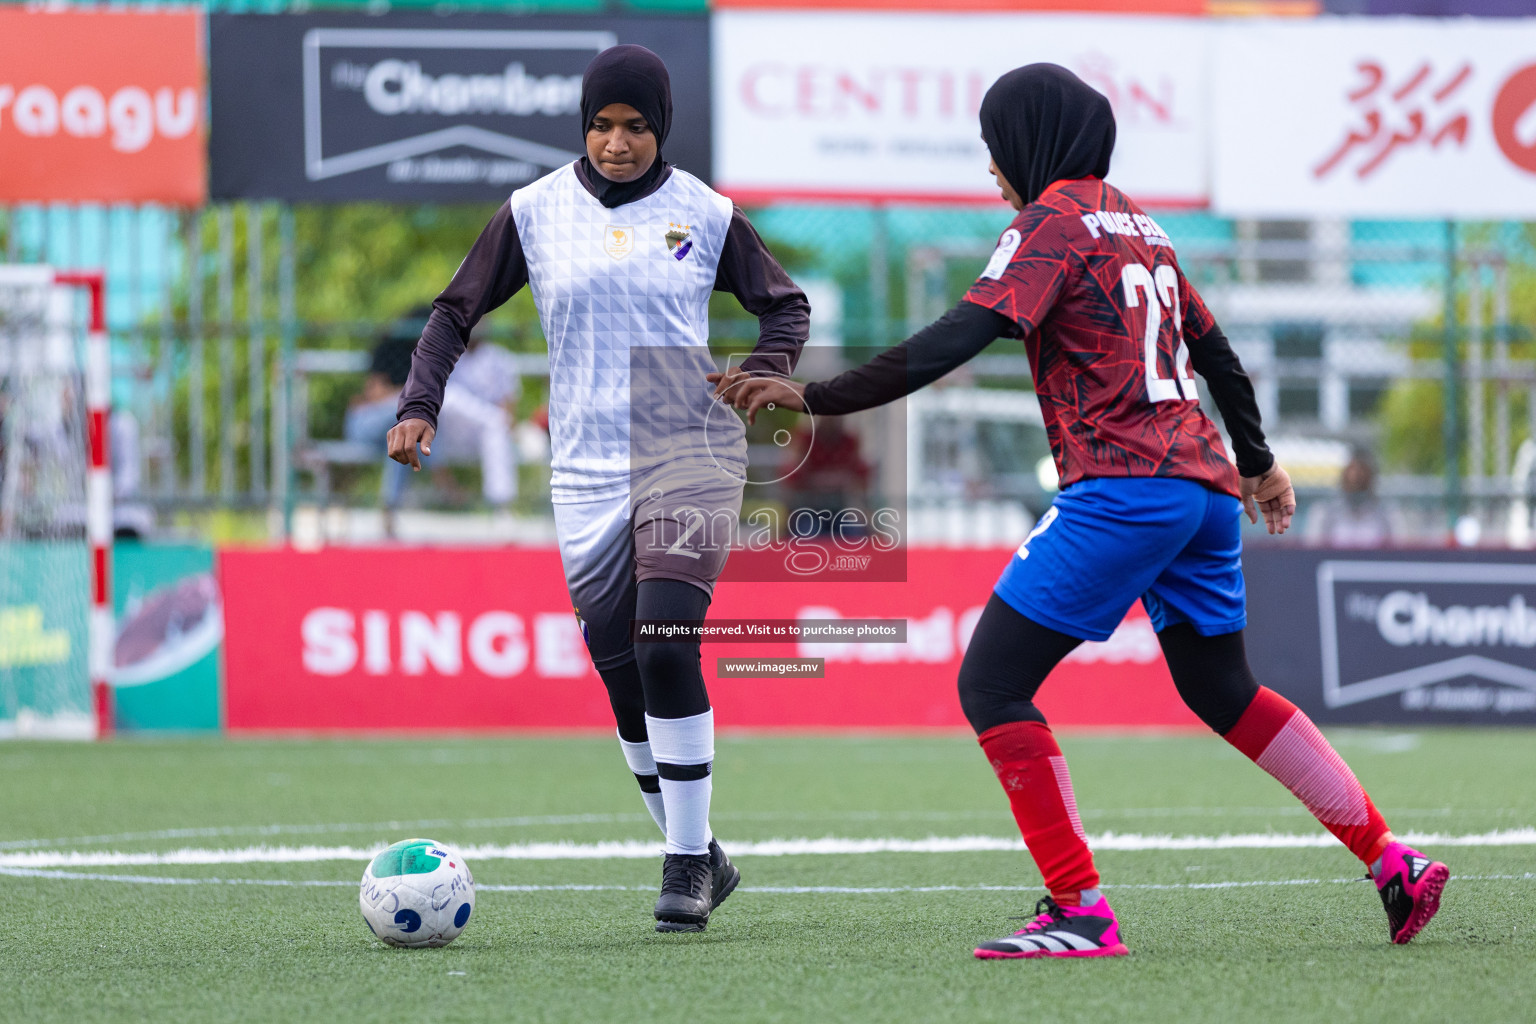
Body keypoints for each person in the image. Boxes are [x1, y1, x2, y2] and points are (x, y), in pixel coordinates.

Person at [714, 64, 1446, 958]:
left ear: (1029, 141)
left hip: (1124, 488)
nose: (993, 172)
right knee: (1224, 690)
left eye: (995, 150)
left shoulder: (1050, 225)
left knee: (991, 683)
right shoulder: (1144, 226)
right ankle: (1390, 859)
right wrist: (1257, 466)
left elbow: (960, 332)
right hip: (1204, 492)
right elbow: (1221, 360)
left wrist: (815, 396)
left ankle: (1078, 909)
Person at [388, 45, 809, 932]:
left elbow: (786, 305)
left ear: (662, 129)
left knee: (664, 646)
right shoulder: (534, 212)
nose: (618, 144)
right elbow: (452, 312)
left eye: (637, 127)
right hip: (581, 461)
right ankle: (705, 852)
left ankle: (685, 863)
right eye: (603, 125)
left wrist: (765, 371)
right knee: (623, 680)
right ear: (583, 124)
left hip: (684, 438)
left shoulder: (706, 212)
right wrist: (420, 404)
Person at [346, 310, 517, 518]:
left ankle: (391, 508)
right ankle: (442, 482)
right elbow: (372, 395)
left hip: (416, 430)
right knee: (412, 418)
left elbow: (508, 405)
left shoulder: (444, 354)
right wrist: (411, 397)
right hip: (370, 423)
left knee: (406, 433)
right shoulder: (392, 347)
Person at [1306, 450, 1398, 548]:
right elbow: (1311, 550)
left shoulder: (1388, 513)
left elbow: (1399, 549)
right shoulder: (1324, 512)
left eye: (1362, 469)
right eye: (1352, 469)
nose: (1356, 476)